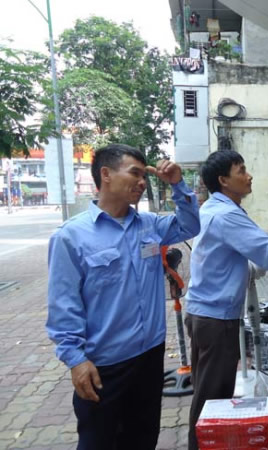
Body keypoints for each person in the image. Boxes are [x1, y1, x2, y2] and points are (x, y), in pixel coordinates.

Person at [46, 144, 200, 450]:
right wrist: (76, 360)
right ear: (106, 174)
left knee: (143, 438)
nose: (142, 182)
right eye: (135, 173)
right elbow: (64, 305)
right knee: (100, 442)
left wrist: (177, 184)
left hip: (149, 357)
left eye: (144, 176)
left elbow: (190, 224)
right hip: (104, 366)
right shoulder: (71, 237)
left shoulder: (150, 225)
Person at [185, 149, 268, 450]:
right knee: (212, 401)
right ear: (223, 180)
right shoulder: (226, 215)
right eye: (241, 170)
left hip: (202, 314)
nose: (249, 176)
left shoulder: (213, 208)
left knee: (206, 393)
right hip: (216, 320)